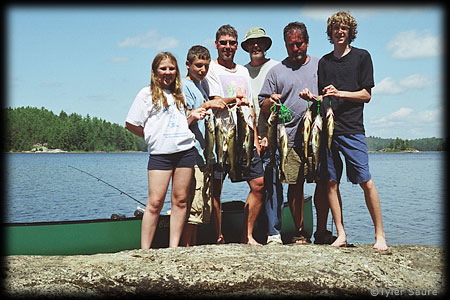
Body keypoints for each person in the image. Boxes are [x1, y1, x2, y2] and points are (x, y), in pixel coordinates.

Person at [300, 11, 388, 250]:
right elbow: (325, 97)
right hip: (328, 130)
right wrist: (313, 98)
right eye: (336, 28)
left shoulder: (362, 57)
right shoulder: (324, 62)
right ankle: (341, 234)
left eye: (344, 29)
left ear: (350, 33)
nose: (340, 32)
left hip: (352, 129)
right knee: (330, 182)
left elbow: (366, 95)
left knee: (366, 182)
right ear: (330, 33)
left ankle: (380, 235)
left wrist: (340, 93)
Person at [125, 51, 206, 249]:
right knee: (155, 203)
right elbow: (130, 124)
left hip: (185, 152)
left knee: (180, 201)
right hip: (160, 155)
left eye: (171, 68)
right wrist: (152, 137)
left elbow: (179, 124)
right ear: (155, 72)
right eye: (163, 68)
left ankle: (173, 248)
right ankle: (145, 249)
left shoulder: (180, 94)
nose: (167, 72)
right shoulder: (146, 94)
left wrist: (193, 116)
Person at [203, 24, 265, 246]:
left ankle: (247, 235)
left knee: (258, 184)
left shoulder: (243, 71)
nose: (227, 47)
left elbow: (251, 108)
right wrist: (234, 100)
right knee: (216, 188)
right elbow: (215, 101)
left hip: (245, 136)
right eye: (223, 43)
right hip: (222, 137)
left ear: (237, 46)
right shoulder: (210, 69)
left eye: (231, 43)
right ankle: (218, 236)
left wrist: (256, 137)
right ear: (216, 44)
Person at [259, 21, 319, 244]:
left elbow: (330, 97)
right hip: (287, 139)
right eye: (291, 45)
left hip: (314, 138)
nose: (295, 49)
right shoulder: (276, 71)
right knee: (292, 185)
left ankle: (317, 230)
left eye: (299, 44)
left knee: (319, 184)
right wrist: (270, 101)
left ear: (307, 42)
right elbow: (262, 104)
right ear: (285, 45)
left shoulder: (320, 66)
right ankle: (297, 231)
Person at [180, 45, 227, 246]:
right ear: (188, 65)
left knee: (201, 207)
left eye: (206, 66)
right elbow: (185, 115)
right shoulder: (184, 86)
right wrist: (208, 105)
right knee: (194, 206)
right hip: (193, 156)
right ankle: (185, 247)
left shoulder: (202, 85)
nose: (202, 70)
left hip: (205, 156)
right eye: (198, 66)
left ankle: (193, 246)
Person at [241, 27, 282, 245]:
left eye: (260, 43)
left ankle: (273, 232)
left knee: (272, 183)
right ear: (246, 47)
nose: (256, 46)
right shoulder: (241, 71)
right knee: (256, 186)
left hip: (270, 135)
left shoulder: (275, 67)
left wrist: (268, 135)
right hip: (246, 138)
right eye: (251, 43)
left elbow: (278, 105)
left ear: (266, 45)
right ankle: (250, 231)